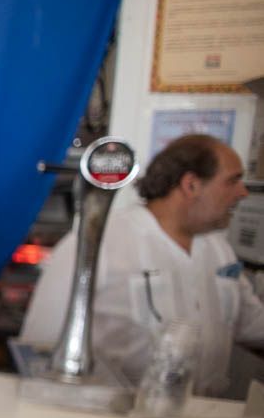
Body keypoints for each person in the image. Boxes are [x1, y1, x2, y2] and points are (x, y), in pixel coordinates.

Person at [22, 134, 263, 396]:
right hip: (116, 414)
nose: (243, 192)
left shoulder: (220, 251)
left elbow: (251, 324)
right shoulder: (99, 242)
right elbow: (40, 344)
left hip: (203, 416)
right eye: (232, 181)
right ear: (191, 185)